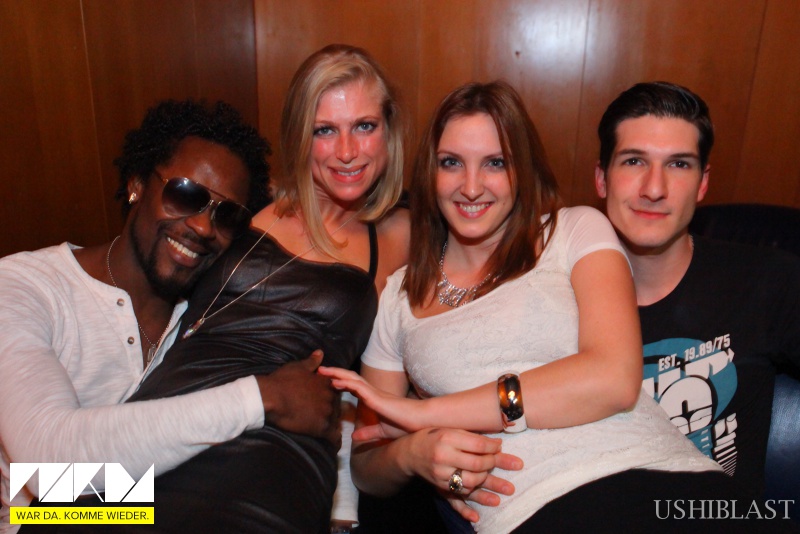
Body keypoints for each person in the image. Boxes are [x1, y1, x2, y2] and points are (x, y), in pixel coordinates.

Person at [320, 82, 776, 534]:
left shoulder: (574, 231)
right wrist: (412, 454)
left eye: (496, 163)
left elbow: (614, 379)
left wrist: (427, 415)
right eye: (451, 163)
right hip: (538, 509)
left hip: (677, 481)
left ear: (522, 171)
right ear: (429, 174)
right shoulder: (398, 299)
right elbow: (366, 461)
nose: (472, 187)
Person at [0, 99, 345, 533]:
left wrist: (341, 512)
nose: (203, 227)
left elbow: (318, 400)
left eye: (226, 216)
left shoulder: (206, 315)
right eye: (185, 194)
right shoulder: (23, 287)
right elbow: (45, 466)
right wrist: (261, 399)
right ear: (136, 184)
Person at [110, 44, 412, 533]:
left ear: (389, 131)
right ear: (299, 134)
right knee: (39, 508)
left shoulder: (403, 233)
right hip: (160, 423)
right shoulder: (245, 200)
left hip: (270, 449)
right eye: (324, 130)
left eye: (364, 126)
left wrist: (346, 507)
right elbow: (146, 264)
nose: (347, 151)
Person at [594, 82, 800, 495]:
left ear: (703, 183)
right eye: (634, 161)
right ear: (602, 179)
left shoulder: (767, 280)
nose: (654, 189)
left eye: (679, 164)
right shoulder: (553, 297)